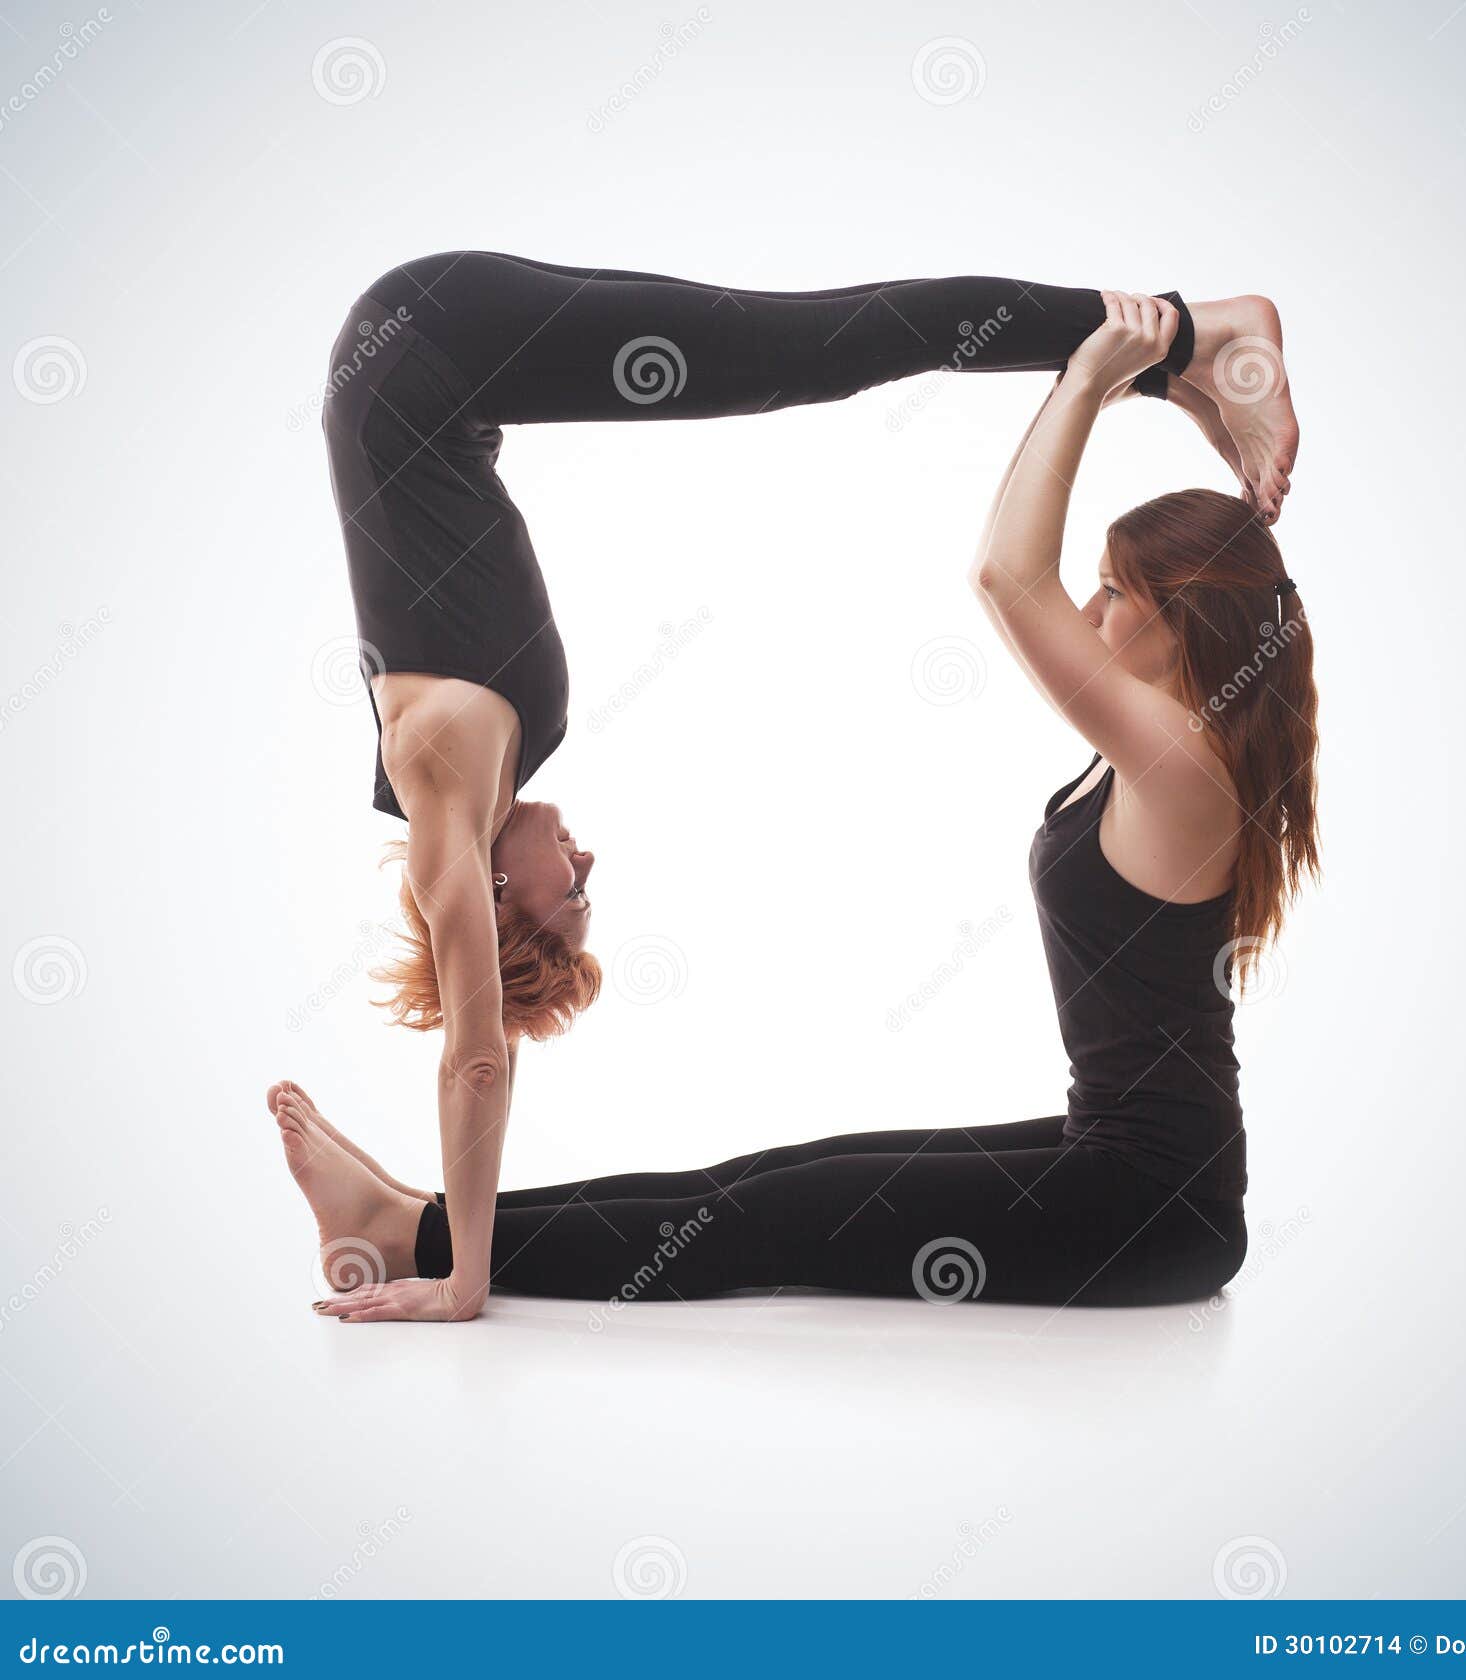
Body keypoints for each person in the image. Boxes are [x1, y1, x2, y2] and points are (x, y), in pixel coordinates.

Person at [292, 255, 1307, 1319]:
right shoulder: (1173, 755)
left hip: (428, 340)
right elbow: (481, 1049)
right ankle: (417, 1224)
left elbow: (478, 1052)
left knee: (758, 1217)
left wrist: (1103, 373)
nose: (589, 862)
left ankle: (420, 1233)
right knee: (765, 1188)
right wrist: (1117, 371)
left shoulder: (445, 793)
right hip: (1141, 1191)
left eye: (1116, 591)